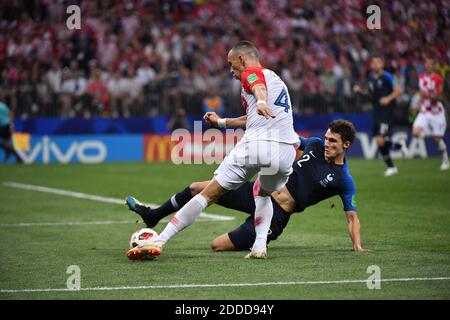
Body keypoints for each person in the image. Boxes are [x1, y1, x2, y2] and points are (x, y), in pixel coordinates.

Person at [126, 40, 299, 260]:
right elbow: (254, 115)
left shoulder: (251, 73)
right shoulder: (278, 80)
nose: (231, 71)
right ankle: (259, 247)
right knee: (262, 192)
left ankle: (160, 239)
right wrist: (222, 122)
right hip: (284, 152)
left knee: (208, 193)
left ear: (242, 59)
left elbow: (257, 87)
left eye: (231, 65)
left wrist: (262, 100)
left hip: (258, 144)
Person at [126, 119, 367, 255]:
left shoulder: (343, 179)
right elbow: (288, 141)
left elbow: (352, 217)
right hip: (259, 192)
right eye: (326, 138)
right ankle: (153, 216)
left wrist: (357, 245)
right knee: (196, 188)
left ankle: (259, 241)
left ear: (346, 145)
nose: (326, 143)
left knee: (216, 246)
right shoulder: (313, 144)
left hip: (277, 216)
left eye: (333, 141)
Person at [353, 55, 404, 176]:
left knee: (380, 139)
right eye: (373, 63)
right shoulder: (371, 77)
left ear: (382, 64)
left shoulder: (388, 76)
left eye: (377, 62)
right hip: (376, 112)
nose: (375, 65)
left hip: (386, 112)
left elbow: (398, 90)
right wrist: (360, 91)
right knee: (378, 140)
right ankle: (393, 159)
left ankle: (393, 161)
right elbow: (371, 94)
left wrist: (388, 98)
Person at [411, 57, 448, 171]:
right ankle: (431, 134)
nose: (428, 66)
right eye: (426, 64)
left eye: (430, 64)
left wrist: (427, 95)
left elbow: (440, 96)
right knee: (415, 132)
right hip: (425, 110)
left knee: (438, 140)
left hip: (436, 112)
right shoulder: (421, 77)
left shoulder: (438, 78)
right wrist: (419, 103)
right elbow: (421, 94)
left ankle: (446, 160)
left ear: (434, 66)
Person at [0, 90, 23, 164]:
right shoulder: (3, 105)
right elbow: (10, 114)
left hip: (5, 126)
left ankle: (18, 158)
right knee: (6, 144)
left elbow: (10, 115)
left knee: (6, 144)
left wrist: (11, 125)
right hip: (3, 126)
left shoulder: (2, 106)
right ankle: (11, 153)